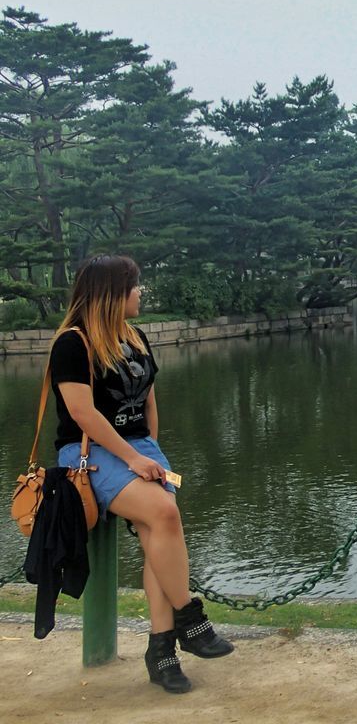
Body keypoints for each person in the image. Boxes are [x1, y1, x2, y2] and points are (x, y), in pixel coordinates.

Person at [47, 254, 233, 693]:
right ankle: (190, 620)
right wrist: (131, 459)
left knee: (158, 532)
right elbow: (81, 412)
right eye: (134, 286)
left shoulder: (135, 336)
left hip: (141, 450)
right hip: (87, 452)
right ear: (112, 293)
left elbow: (148, 398)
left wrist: (151, 452)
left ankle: (161, 650)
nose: (140, 293)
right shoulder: (71, 344)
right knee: (165, 517)